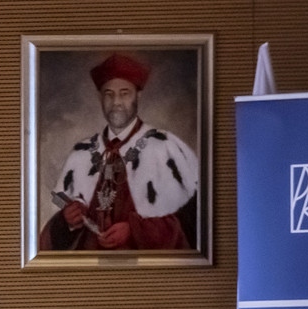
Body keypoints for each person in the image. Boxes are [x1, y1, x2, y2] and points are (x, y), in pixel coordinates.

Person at [39, 53, 199, 252]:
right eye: (108, 94)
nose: (116, 102)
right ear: (100, 98)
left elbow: (192, 223)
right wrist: (67, 220)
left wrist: (135, 230)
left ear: (138, 96)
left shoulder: (165, 147)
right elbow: (56, 228)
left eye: (124, 93)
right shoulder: (82, 153)